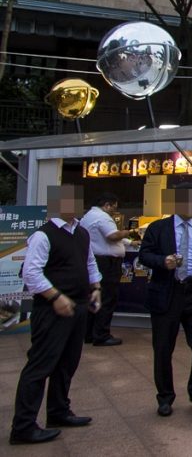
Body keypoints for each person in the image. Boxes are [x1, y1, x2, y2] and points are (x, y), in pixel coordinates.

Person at [10, 184, 101, 446]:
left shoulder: (81, 233)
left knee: (67, 363)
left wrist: (96, 288)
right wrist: (55, 296)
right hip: (51, 310)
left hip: (78, 307)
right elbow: (31, 273)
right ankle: (23, 426)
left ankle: (59, 411)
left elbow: (89, 263)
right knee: (40, 365)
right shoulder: (43, 235)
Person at [138, 183, 192, 417]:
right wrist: (163, 261)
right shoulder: (158, 228)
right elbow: (144, 255)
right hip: (167, 291)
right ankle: (165, 397)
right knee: (163, 346)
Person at [81, 192, 128, 346]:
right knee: (107, 298)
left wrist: (128, 242)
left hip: (95, 261)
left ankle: (89, 333)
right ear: (107, 205)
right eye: (114, 207)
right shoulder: (102, 217)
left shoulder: (88, 216)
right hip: (107, 264)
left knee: (94, 296)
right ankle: (101, 335)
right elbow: (112, 236)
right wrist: (128, 232)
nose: (115, 211)